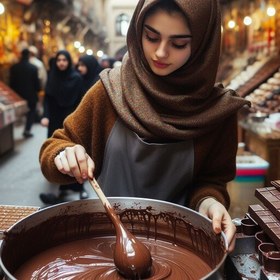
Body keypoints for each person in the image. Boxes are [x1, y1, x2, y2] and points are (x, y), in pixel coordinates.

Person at [39, 0, 250, 252]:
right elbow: (53, 150)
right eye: (151, 37)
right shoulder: (110, 92)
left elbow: (212, 181)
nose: (160, 53)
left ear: (204, 44)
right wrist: (65, 155)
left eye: (179, 43)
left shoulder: (217, 114)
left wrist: (210, 203)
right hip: (106, 242)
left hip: (182, 247)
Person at [39, 50, 88, 204]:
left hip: (71, 120)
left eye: (64, 60)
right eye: (59, 60)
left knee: (73, 152)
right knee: (56, 151)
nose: (61, 63)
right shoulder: (52, 77)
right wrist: (45, 115)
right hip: (54, 120)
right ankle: (60, 187)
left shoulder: (77, 78)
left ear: (68, 62)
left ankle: (80, 188)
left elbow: (81, 100)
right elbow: (47, 99)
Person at [9, 48, 40, 138]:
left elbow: (11, 83)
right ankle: (27, 129)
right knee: (31, 111)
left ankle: (15, 129)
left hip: (18, 95)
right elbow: (36, 84)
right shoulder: (33, 68)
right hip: (31, 95)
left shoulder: (14, 68)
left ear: (21, 55)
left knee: (19, 112)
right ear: (29, 56)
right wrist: (38, 90)